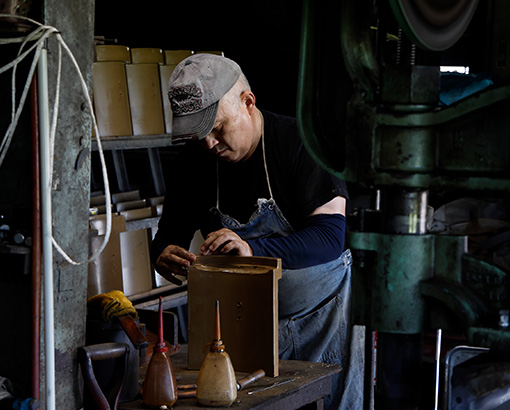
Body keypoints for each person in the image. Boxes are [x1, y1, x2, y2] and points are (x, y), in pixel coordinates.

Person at [150, 54, 363, 410]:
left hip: (323, 317)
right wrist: (162, 252)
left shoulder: (301, 143)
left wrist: (252, 248)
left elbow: (329, 237)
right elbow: (170, 230)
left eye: (217, 128)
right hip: (246, 322)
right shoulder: (196, 160)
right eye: (199, 134)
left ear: (248, 103)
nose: (209, 144)